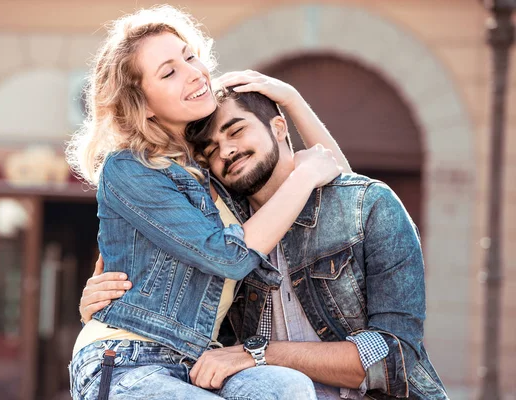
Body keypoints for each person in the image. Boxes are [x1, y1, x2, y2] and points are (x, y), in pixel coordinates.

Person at [80, 72, 450, 399]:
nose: (226, 150)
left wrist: (258, 351)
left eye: (237, 130)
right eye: (210, 151)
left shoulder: (369, 207)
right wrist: (106, 303)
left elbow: (392, 354)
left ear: (277, 127)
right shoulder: (228, 235)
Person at [66, 5, 349, 400]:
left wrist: (292, 98)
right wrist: (303, 175)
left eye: (189, 56)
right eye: (169, 72)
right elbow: (228, 257)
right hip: (127, 357)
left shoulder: (210, 169)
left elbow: (342, 189)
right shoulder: (130, 169)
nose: (193, 72)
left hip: (196, 361)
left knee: (287, 387)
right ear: (142, 104)